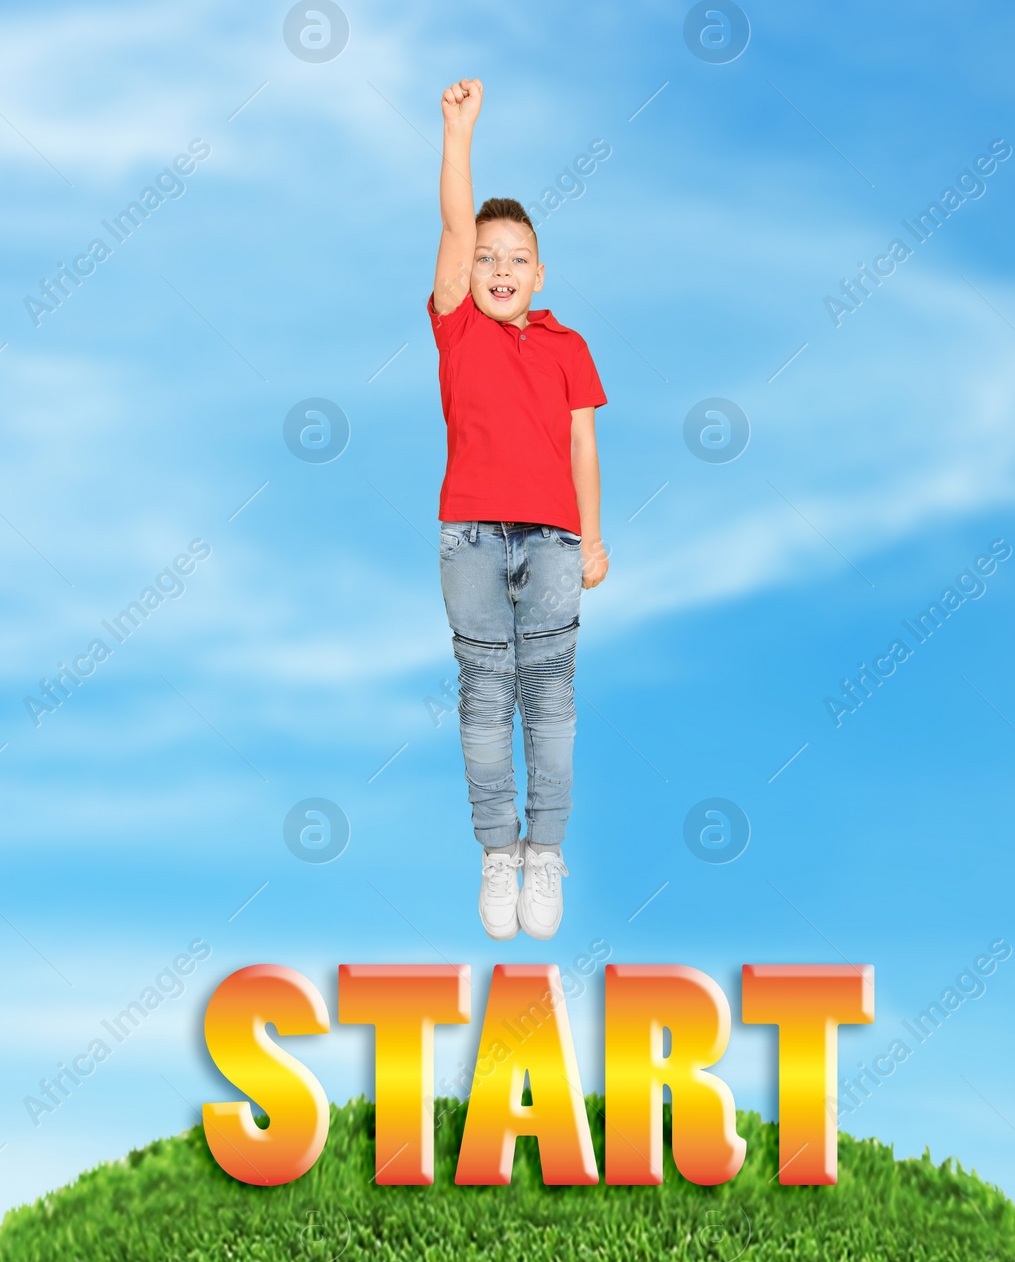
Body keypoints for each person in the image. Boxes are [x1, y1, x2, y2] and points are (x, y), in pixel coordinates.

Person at [429, 77, 609, 941]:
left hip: (556, 539)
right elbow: (458, 227)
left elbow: (583, 448)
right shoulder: (456, 325)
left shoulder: (569, 347)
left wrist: (596, 539)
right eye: (488, 257)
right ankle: (497, 851)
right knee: (483, 692)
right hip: (468, 532)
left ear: (541, 273)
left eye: (517, 259)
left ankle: (546, 852)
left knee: (551, 696)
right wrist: (459, 135)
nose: (498, 268)